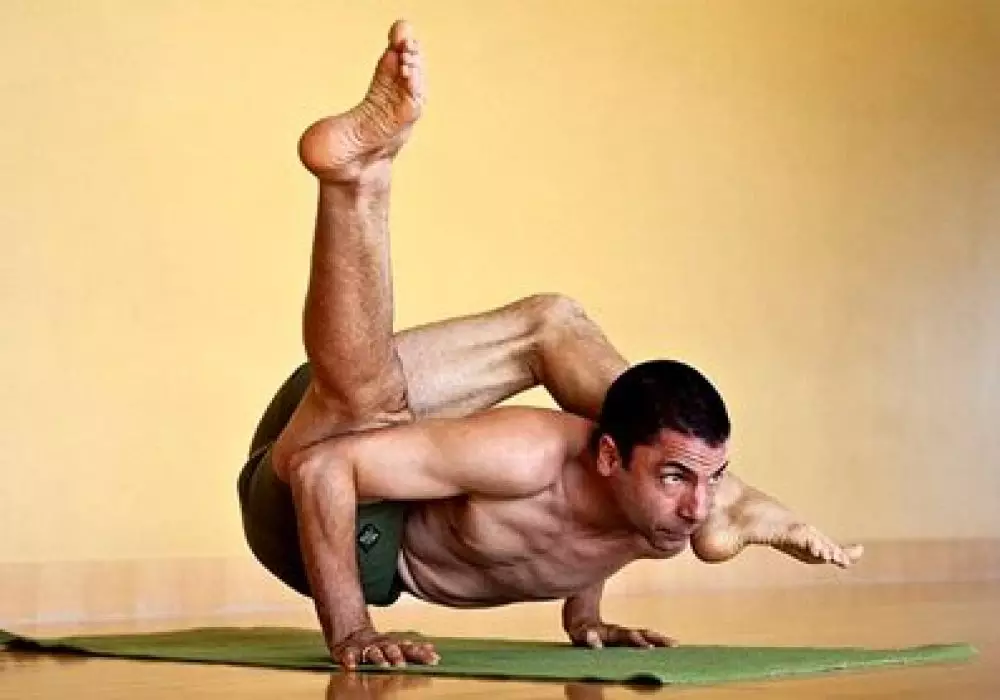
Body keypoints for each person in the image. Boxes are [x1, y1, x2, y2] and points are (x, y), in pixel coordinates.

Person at [237, 19, 863, 670]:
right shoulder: (527, 455)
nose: (695, 505)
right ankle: (355, 182)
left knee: (552, 324)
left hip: (362, 405)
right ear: (611, 455)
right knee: (367, 402)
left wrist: (585, 616)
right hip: (310, 512)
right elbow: (321, 470)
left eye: (714, 480)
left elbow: (590, 527)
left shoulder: (665, 510)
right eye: (681, 476)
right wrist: (352, 632)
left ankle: (357, 177)